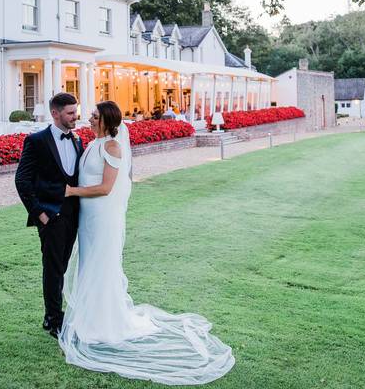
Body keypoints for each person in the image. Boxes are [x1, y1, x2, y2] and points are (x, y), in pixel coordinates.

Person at [58, 100, 234, 384]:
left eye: (94, 116)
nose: (88, 119)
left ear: (106, 120)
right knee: (89, 263)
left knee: (102, 264)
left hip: (103, 217)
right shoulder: (91, 144)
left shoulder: (112, 146)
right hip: (87, 218)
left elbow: (106, 188)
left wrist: (71, 191)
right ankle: (89, 317)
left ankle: (103, 321)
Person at [13, 92, 82, 338]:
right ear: (55, 114)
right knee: (52, 268)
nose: (76, 117)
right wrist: (39, 214)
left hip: (74, 215)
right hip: (51, 216)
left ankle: (55, 314)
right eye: (70, 113)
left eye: (76, 111)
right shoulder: (36, 141)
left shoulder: (77, 140)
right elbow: (22, 180)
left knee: (61, 266)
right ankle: (53, 318)